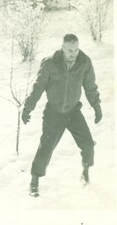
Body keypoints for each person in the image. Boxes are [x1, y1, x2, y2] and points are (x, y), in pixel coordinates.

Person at [22, 34, 102, 197]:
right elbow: (38, 87)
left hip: (73, 111)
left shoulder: (84, 62)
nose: (73, 53)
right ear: (62, 48)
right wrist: (28, 108)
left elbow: (90, 86)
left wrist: (96, 106)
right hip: (54, 112)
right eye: (70, 50)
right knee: (46, 147)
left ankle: (85, 171)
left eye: (76, 49)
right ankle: (34, 181)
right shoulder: (51, 63)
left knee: (88, 144)